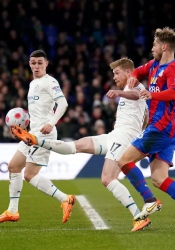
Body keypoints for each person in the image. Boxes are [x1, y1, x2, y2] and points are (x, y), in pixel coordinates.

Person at [11, 58, 151, 232]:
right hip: (114, 136)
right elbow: (146, 116)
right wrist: (141, 130)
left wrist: (119, 94)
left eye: (117, 73)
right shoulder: (128, 88)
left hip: (123, 138)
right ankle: (36, 140)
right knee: (75, 146)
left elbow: (138, 95)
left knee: (108, 178)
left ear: (128, 72)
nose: (114, 77)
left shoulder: (134, 85)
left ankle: (139, 216)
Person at [115, 27, 175, 232]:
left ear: (164, 46)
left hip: (161, 127)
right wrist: (133, 77)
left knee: (123, 160)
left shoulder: (173, 69)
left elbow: (173, 94)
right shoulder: (153, 65)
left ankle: (149, 201)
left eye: (154, 45)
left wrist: (152, 94)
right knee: (159, 179)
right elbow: (139, 70)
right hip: (167, 131)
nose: (152, 48)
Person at [0, 50, 75, 223]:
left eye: (39, 63)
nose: (36, 66)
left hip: (45, 133)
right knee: (13, 167)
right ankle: (12, 211)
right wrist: (23, 130)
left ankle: (65, 199)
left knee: (30, 174)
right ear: (29, 64)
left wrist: (51, 122)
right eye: (33, 63)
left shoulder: (50, 82)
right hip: (32, 132)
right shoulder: (32, 83)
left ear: (46, 64)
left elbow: (63, 103)